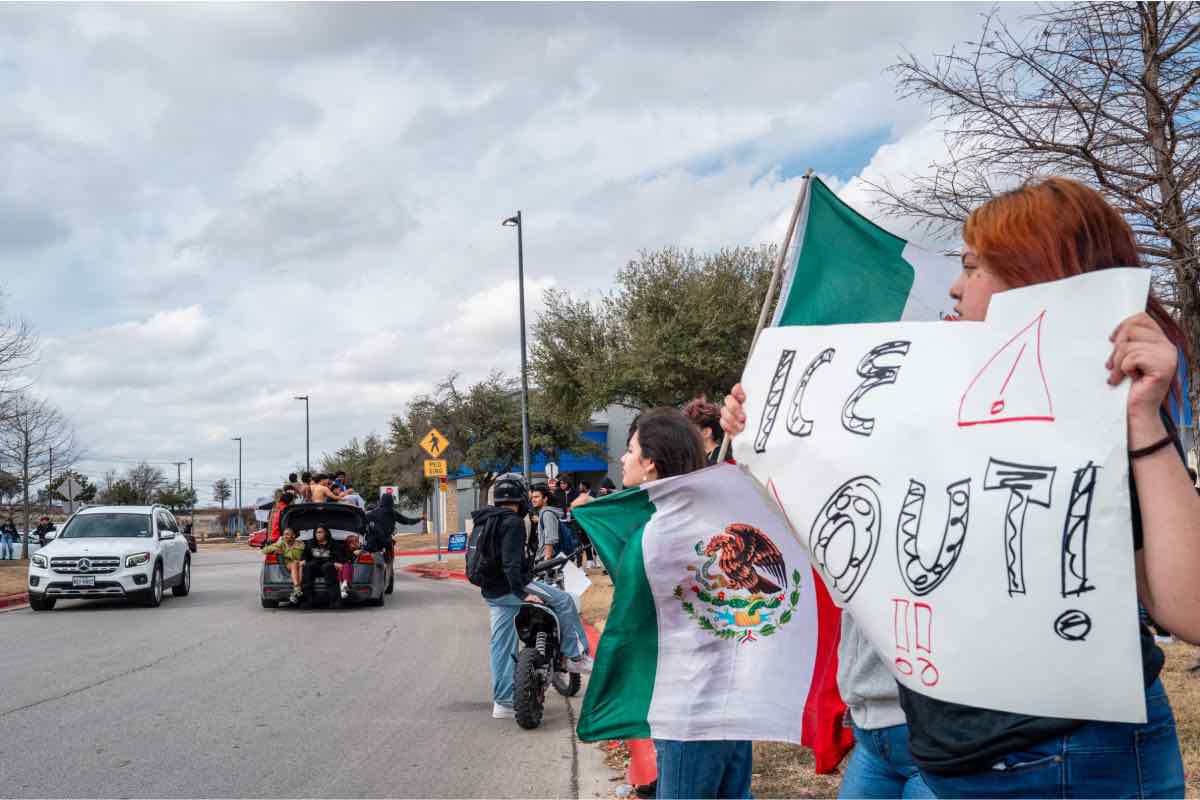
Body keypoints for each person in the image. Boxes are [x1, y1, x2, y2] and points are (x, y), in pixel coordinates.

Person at [724, 177, 1200, 798]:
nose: (954, 286)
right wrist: (764, 432)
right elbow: (832, 526)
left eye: (973, 267)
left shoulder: (1110, 406)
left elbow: (1188, 610)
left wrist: (1142, 422)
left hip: (1073, 756)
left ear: (1035, 277)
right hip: (947, 756)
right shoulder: (937, 407)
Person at [620, 407, 754, 800]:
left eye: (630, 450)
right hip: (730, 702)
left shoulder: (659, 533)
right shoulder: (713, 519)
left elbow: (630, 624)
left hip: (688, 710)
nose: (624, 459)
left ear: (650, 464)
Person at [472, 473, 592, 720]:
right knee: (564, 600)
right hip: (512, 588)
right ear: (518, 496)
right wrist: (523, 593)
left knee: (501, 645)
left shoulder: (485, 519)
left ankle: (503, 703)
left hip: (492, 592)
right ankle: (574, 656)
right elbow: (510, 565)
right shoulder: (513, 522)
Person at [367, 491, 425, 573]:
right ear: (391, 502)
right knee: (390, 553)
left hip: (374, 542)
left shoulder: (374, 512)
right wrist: (420, 518)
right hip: (386, 541)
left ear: (381, 501)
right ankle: (389, 569)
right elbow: (407, 521)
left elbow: (364, 520)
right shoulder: (393, 513)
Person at [264, 527, 305, 604]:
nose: (285, 536)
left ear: (293, 535)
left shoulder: (300, 544)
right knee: (295, 563)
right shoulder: (281, 543)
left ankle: (296, 591)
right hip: (288, 565)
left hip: (300, 565)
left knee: (300, 565)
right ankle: (296, 587)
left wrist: (303, 561)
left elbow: (307, 553)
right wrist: (274, 549)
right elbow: (265, 550)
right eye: (284, 534)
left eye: (288, 534)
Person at [301, 525, 341, 604]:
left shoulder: (333, 543)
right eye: (316, 533)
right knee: (308, 566)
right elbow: (305, 555)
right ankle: (307, 600)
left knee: (328, 567)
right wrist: (304, 560)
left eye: (320, 532)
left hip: (328, 566)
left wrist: (335, 563)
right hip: (314, 566)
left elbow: (338, 556)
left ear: (325, 533)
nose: (318, 534)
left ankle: (334, 601)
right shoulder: (310, 543)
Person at [683, 396, 725, 466]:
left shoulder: (724, 458)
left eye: (690, 429)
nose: (686, 434)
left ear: (706, 432)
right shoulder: (695, 459)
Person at [529, 484, 563, 561]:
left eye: (536, 497)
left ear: (545, 499)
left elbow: (550, 540)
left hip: (547, 558)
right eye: (532, 497)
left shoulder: (548, 514)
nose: (533, 500)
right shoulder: (544, 513)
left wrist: (547, 560)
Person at [337, 533, 364, 600]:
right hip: (344, 568)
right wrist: (353, 554)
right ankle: (343, 586)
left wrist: (359, 550)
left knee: (346, 565)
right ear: (349, 543)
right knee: (343, 566)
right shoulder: (344, 550)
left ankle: (344, 585)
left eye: (356, 542)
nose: (354, 544)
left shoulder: (360, 549)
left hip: (352, 569)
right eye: (352, 542)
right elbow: (342, 560)